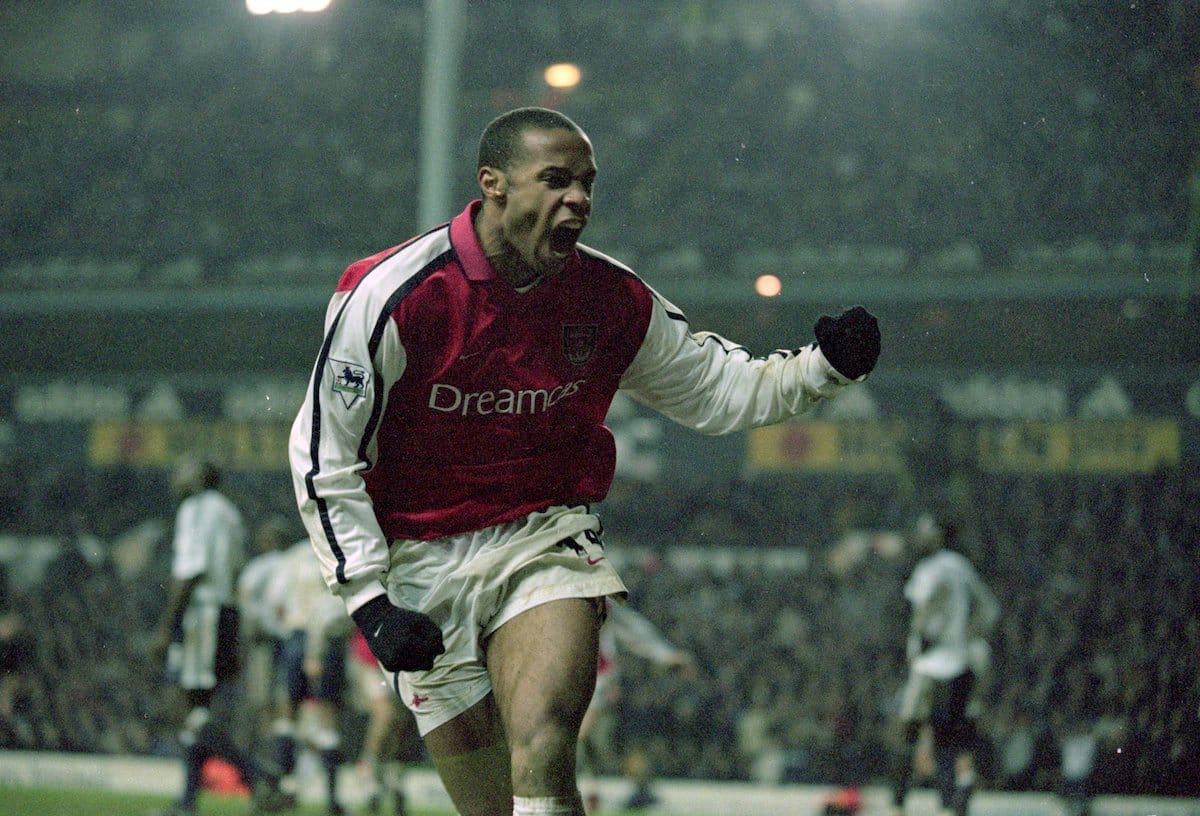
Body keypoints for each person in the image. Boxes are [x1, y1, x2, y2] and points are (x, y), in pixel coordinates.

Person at [288, 105, 881, 816]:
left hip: (543, 537)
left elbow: (713, 389)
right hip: (418, 559)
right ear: (494, 183)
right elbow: (325, 455)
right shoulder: (395, 294)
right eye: (556, 180)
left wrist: (821, 368)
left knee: (544, 747)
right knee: (491, 809)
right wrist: (369, 600)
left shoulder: (608, 297)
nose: (579, 199)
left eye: (587, 184)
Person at [149, 454, 290, 816]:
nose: (176, 476)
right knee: (198, 711)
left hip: (203, 611)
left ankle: (257, 774)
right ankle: (187, 802)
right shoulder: (229, 511)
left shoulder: (196, 508)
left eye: (183, 470)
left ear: (200, 477)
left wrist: (166, 626)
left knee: (182, 708)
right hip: (224, 611)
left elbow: (191, 569)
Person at [889, 512, 999, 816]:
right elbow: (990, 609)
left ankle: (898, 800)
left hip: (929, 663)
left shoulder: (929, 569)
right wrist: (971, 635)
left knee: (910, 729)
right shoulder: (961, 566)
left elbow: (923, 610)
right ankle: (952, 800)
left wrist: (921, 642)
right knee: (950, 734)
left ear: (937, 536)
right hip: (959, 662)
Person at [578, 600, 696, 813]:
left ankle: (626, 789)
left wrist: (665, 655)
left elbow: (631, 627)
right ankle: (593, 790)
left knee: (589, 735)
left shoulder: (597, 598)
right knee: (588, 738)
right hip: (579, 679)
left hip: (602, 679)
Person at [267, 537, 356, 815]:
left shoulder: (293, 556)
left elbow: (276, 602)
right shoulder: (340, 547)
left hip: (298, 635)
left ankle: (287, 788)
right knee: (328, 717)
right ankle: (332, 800)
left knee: (287, 712)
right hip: (329, 636)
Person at [349, 625, 421, 816]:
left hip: (401, 662)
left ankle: (393, 777)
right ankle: (367, 769)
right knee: (385, 714)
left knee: (401, 722)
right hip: (371, 660)